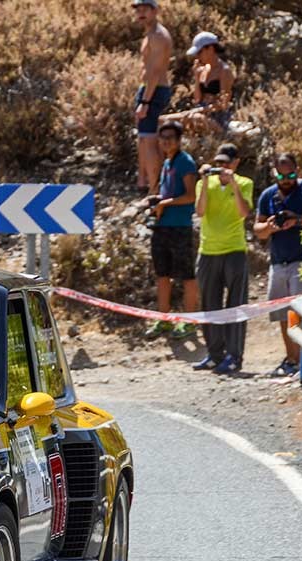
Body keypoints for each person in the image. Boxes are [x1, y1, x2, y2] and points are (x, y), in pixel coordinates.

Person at [253, 153, 302, 376]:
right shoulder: (267, 196)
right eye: (281, 176)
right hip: (279, 262)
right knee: (282, 314)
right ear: (274, 174)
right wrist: (270, 227)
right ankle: (291, 359)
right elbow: (258, 230)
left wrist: (297, 219)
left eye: (291, 175)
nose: (286, 180)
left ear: (297, 170)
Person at [193, 143, 254, 374]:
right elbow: (200, 211)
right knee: (210, 305)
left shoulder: (245, 183)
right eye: (218, 163)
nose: (221, 167)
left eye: (226, 163)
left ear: (235, 163)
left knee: (236, 305)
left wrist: (233, 184)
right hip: (208, 250)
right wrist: (205, 180)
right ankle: (214, 353)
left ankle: (234, 355)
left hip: (234, 250)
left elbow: (243, 212)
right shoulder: (204, 183)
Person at [144, 121, 199, 340]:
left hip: (180, 226)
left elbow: (190, 196)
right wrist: (156, 201)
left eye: (170, 137)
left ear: (179, 140)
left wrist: (165, 203)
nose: (166, 141)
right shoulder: (167, 162)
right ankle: (164, 319)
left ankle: (190, 321)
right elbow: (169, 194)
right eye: (163, 137)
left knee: (187, 275)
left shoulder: (185, 162)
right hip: (162, 226)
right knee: (162, 274)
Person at [132, 0, 173, 195]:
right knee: (143, 139)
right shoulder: (149, 34)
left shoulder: (158, 36)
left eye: (145, 10)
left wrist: (145, 101)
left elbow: (155, 72)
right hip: (147, 90)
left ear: (155, 11)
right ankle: (144, 183)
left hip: (154, 91)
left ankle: (154, 190)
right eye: (138, 10)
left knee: (150, 141)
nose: (141, 13)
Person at [160, 31, 235, 134]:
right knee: (163, 119)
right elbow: (197, 99)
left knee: (195, 118)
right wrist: (196, 76)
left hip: (218, 118)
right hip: (199, 111)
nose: (197, 56)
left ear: (210, 49)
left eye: (200, 52)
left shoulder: (224, 71)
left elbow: (223, 104)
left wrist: (200, 110)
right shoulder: (203, 70)